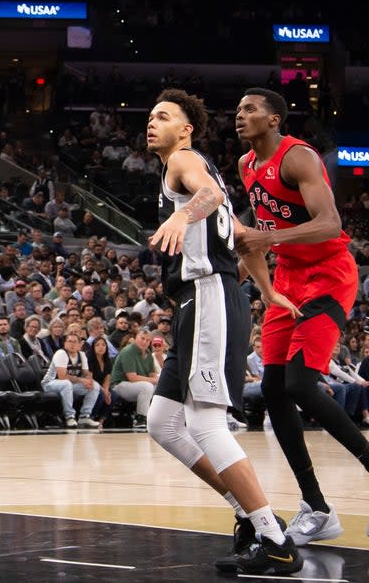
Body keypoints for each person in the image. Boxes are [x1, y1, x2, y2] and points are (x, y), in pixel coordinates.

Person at [144, 89, 299, 574]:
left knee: (207, 424)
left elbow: (208, 200)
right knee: (163, 422)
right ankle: (250, 517)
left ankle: (275, 539)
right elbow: (241, 235)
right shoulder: (197, 167)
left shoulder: (183, 162)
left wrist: (181, 212)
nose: (152, 122)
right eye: (150, 116)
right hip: (203, 301)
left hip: (209, 296)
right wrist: (268, 292)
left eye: (163, 116)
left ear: (186, 129)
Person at [234, 87, 369, 547]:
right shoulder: (246, 165)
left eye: (251, 109)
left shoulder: (299, 158)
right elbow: (261, 219)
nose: (240, 116)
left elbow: (330, 223)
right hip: (288, 277)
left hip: (329, 273)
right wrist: (239, 261)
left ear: (274, 120)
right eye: (238, 110)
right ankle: (317, 506)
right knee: (273, 386)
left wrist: (265, 240)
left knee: (298, 383)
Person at [41, 332, 100, 428]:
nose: (72, 344)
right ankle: (70, 416)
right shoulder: (61, 353)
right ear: (65, 343)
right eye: (69, 341)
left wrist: (89, 381)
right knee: (66, 383)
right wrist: (82, 380)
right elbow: (62, 376)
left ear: (79, 344)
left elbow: (86, 373)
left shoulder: (82, 355)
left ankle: (84, 416)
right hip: (50, 383)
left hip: (70, 384)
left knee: (95, 385)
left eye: (75, 342)